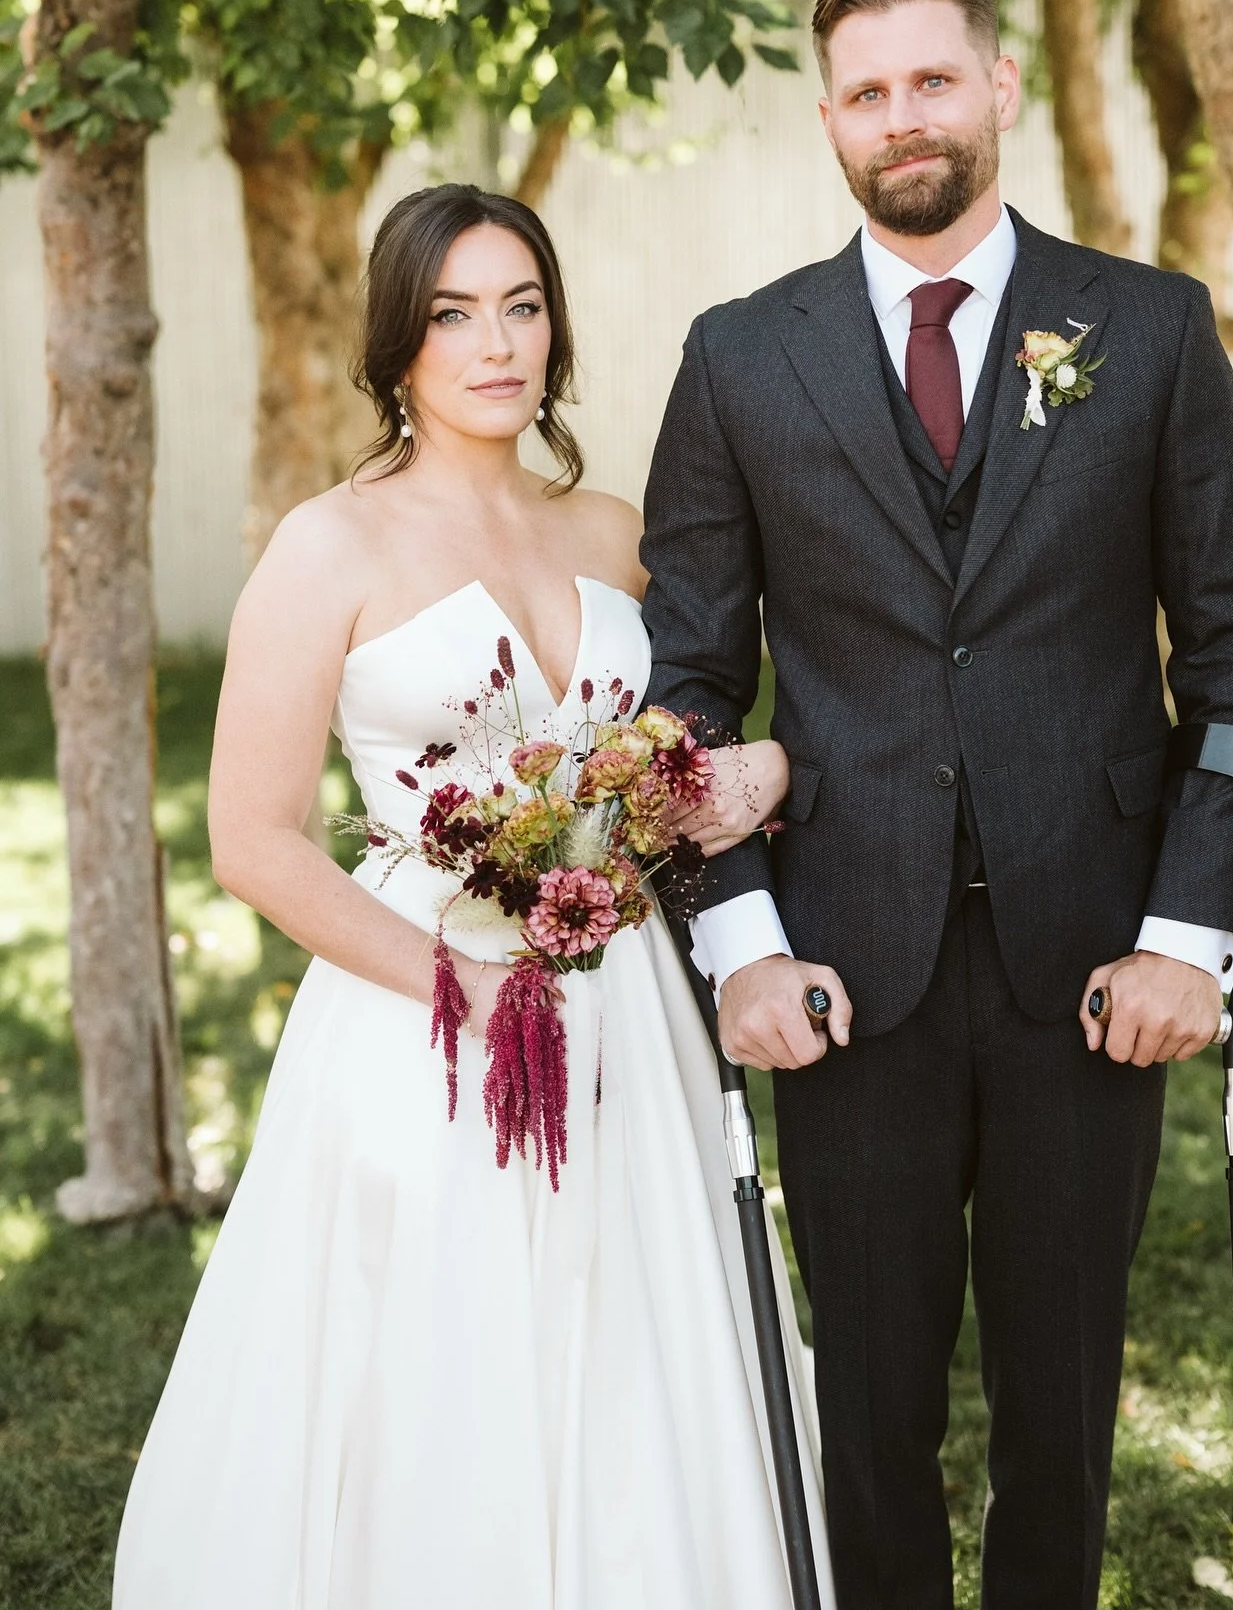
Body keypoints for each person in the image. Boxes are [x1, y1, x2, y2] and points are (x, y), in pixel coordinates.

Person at [642, 0, 1233, 1610]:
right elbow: (690, 692)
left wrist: (1191, 941)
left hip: (1097, 966)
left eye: (932, 78)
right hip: (843, 972)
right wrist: (736, 947)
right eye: (866, 92)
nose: (901, 118)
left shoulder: (1147, 330)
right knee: (869, 1409)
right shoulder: (738, 358)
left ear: (999, 86)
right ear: (828, 121)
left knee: (1063, 1408)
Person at [114, 185, 835, 1610]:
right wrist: (475, 985)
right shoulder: (328, 546)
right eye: (453, 314)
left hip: (625, 1000)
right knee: (439, 1355)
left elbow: (688, 751)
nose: (494, 343)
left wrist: (745, 775)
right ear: (399, 344)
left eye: (521, 305)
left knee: (644, 1335)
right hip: (427, 1016)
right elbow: (254, 840)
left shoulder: (619, 532)